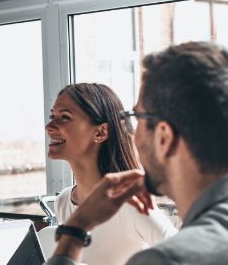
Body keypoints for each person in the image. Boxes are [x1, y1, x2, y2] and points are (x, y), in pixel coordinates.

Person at [47, 41, 228, 265]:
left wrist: (75, 230)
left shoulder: (165, 258)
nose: (130, 132)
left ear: (164, 136)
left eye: (137, 118)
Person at [46, 83, 176, 265]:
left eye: (65, 117)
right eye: (53, 116)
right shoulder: (63, 201)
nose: (49, 126)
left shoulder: (130, 204)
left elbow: (183, 257)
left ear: (100, 132)